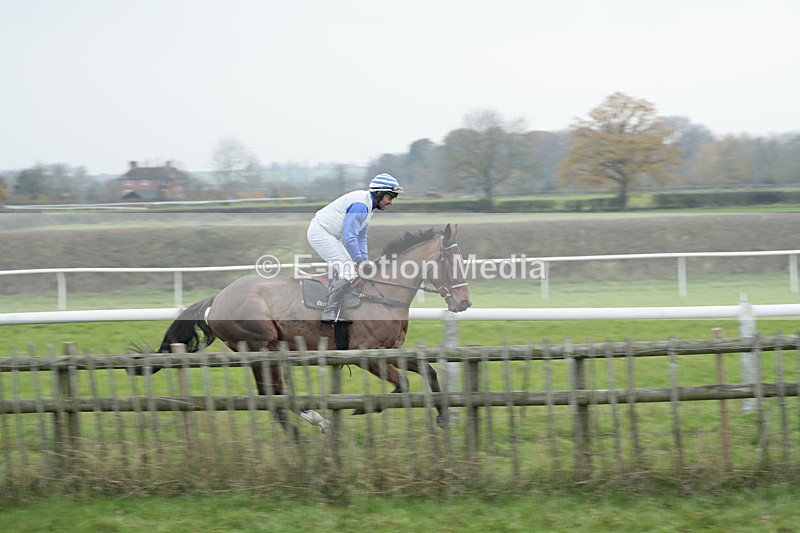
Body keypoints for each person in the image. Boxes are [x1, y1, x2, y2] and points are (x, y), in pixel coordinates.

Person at [307, 173, 403, 323]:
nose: (391, 202)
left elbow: (361, 237)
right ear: (379, 194)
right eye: (390, 197)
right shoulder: (361, 206)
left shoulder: (369, 208)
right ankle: (329, 311)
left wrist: (363, 260)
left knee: (354, 268)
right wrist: (359, 261)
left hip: (331, 234)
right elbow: (349, 237)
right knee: (348, 270)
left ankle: (342, 304)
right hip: (320, 233)